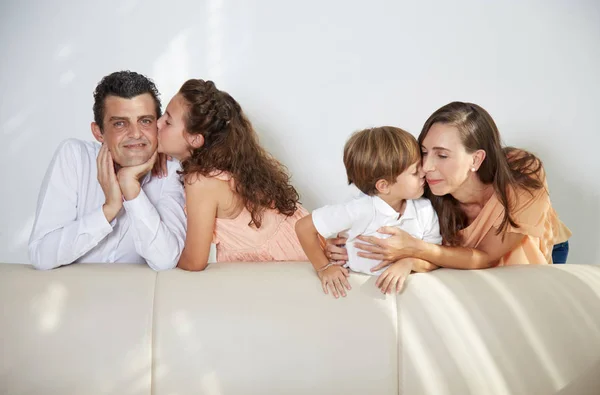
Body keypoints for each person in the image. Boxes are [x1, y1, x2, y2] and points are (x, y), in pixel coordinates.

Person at [327, 102, 571, 270]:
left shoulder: (522, 172)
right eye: (424, 152)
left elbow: (486, 256)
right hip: (467, 259)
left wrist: (415, 248)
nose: (427, 166)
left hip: (538, 247)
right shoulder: (422, 190)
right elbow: (376, 203)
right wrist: (347, 242)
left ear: (476, 159)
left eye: (442, 155)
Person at [28, 71, 187, 271]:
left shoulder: (171, 172)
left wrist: (131, 189)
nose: (136, 134)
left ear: (157, 126)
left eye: (145, 121)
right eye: (120, 123)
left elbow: (166, 261)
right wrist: (109, 209)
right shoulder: (75, 157)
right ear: (98, 132)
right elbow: (42, 255)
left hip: (131, 299)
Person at [156, 79, 308, 271]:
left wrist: (159, 258)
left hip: (293, 260)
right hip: (301, 243)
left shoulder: (201, 182)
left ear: (195, 139)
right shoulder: (227, 165)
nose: (157, 123)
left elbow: (194, 262)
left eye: (168, 121)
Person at [295, 127, 441, 298]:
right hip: (358, 294)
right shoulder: (360, 209)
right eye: (415, 171)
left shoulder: (424, 210)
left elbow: (435, 256)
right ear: (384, 186)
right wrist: (324, 268)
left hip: (408, 295)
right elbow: (303, 227)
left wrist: (408, 263)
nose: (424, 171)